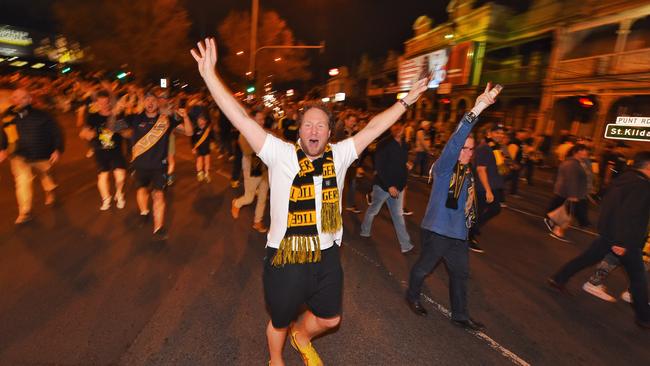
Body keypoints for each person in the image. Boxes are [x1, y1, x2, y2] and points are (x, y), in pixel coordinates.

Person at [191, 37, 429, 366]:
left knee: (331, 319)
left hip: (327, 254)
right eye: (308, 124)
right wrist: (209, 77)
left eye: (321, 125)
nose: (314, 129)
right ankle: (276, 359)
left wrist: (406, 102)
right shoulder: (280, 153)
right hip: (285, 256)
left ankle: (302, 336)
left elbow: (374, 127)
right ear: (299, 131)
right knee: (279, 320)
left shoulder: (341, 155)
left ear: (330, 133)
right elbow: (242, 120)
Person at [405, 83, 502, 331]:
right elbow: (458, 136)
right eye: (464, 149)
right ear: (455, 150)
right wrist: (479, 106)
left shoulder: (467, 174)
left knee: (460, 275)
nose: (468, 153)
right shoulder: (445, 167)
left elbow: (468, 206)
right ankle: (412, 296)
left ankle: (460, 315)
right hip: (438, 231)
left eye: (471, 149)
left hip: (458, 235)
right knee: (423, 268)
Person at [548, 151, 650, 330]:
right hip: (625, 239)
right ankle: (644, 317)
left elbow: (609, 205)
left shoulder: (624, 179)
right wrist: (621, 242)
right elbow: (630, 214)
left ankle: (558, 278)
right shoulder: (642, 186)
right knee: (638, 277)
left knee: (587, 258)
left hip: (610, 233)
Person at [124, 91, 193, 240]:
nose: (150, 103)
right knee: (141, 190)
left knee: (159, 195)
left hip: (159, 166)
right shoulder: (135, 119)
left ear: (158, 103)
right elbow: (114, 127)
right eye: (147, 100)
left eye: (153, 100)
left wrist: (185, 116)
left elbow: (189, 132)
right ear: (143, 103)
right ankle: (144, 212)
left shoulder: (166, 120)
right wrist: (117, 110)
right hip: (139, 165)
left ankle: (158, 227)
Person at [0, 88, 63, 224]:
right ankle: (25, 211)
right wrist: (2, 148)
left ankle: (50, 190)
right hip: (18, 155)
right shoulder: (7, 115)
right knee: (23, 181)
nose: (18, 100)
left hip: (41, 154)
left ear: (29, 99)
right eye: (15, 97)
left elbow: (56, 132)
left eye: (22, 98)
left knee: (46, 175)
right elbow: (3, 133)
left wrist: (57, 149)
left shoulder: (43, 115)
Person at [360, 121, 414, 254]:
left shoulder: (404, 144)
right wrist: (389, 185)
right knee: (374, 209)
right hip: (383, 187)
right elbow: (379, 166)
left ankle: (406, 245)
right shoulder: (384, 144)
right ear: (390, 127)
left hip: (399, 187)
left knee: (398, 216)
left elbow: (401, 161)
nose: (398, 128)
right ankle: (364, 231)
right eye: (395, 125)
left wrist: (407, 164)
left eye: (400, 125)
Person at [79, 90, 128, 210]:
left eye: (106, 102)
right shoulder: (93, 117)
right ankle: (106, 199)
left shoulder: (117, 115)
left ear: (110, 102)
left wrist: (118, 127)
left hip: (116, 150)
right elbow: (83, 133)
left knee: (120, 177)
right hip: (100, 151)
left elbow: (125, 132)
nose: (104, 105)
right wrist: (87, 134)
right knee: (103, 176)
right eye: (101, 103)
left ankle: (119, 193)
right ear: (97, 103)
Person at [468, 124, 506, 253]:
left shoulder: (496, 149)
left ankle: (473, 229)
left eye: (502, 133)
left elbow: (498, 168)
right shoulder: (484, 148)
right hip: (484, 187)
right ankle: (469, 237)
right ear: (489, 133)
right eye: (497, 132)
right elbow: (481, 170)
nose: (500, 135)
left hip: (494, 186)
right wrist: (488, 190)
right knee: (480, 211)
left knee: (493, 209)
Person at [231, 110, 270, 233]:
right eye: (258, 119)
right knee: (249, 198)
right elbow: (249, 152)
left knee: (263, 196)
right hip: (253, 168)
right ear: (252, 120)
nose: (261, 121)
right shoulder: (244, 135)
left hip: (265, 170)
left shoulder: (266, 133)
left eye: (262, 119)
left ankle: (257, 221)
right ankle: (237, 203)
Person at [544, 144, 590, 242]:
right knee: (567, 215)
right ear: (576, 152)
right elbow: (571, 180)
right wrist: (572, 195)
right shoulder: (572, 164)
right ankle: (557, 232)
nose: (586, 153)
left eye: (586, 150)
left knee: (564, 212)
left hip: (569, 193)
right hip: (569, 193)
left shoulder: (578, 163)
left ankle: (553, 223)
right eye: (582, 150)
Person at [333, 111, 361, 213]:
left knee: (352, 184)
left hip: (352, 163)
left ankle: (350, 205)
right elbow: (338, 145)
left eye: (354, 121)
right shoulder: (340, 131)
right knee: (338, 185)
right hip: (341, 163)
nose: (353, 123)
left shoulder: (356, 132)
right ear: (346, 121)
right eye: (351, 120)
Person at [190, 107, 215, 183]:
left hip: (207, 148)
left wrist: (213, 142)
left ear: (206, 120)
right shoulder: (195, 129)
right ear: (196, 120)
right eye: (199, 120)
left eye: (203, 119)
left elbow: (213, 136)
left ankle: (207, 174)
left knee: (207, 161)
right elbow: (192, 139)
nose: (201, 121)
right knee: (199, 160)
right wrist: (193, 148)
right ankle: (200, 172)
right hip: (199, 149)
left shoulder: (208, 128)